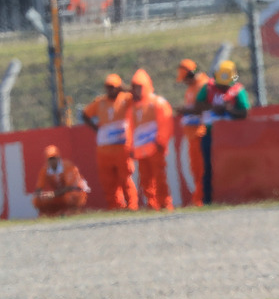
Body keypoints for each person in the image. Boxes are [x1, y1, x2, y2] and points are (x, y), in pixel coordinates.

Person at [192, 60, 250, 204]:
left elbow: (244, 113)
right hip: (210, 134)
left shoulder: (238, 90)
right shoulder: (208, 88)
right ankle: (208, 200)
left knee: (234, 167)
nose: (222, 87)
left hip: (232, 136)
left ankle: (236, 197)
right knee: (208, 167)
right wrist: (213, 107)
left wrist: (229, 109)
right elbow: (197, 106)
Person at [82, 73, 138, 211]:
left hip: (122, 147)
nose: (109, 90)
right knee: (108, 181)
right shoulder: (100, 102)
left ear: (118, 87)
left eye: (113, 87)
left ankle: (132, 205)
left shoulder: (126, 99)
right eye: (107, 87)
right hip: (104, 150)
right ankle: (116, 206)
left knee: (126, 178)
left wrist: (124, 88)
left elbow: (139, 95)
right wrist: (95, 128)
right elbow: (85, 114)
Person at [128, 68, 174, 211]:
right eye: (134, 87)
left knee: (160, 178)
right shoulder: (132, 108)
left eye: (139, 87)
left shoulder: (157, 103)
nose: (136, 90)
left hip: (155, 148)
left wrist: (161, 141)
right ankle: (151, 204)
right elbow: (129, 129)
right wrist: (129, 147)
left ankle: (165, 204)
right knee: (145, 181)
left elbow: (165, 123)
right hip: (141, 150)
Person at [175, 59, 210, 207]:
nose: (184, 82)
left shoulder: (204, 85)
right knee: (195, 170)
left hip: (201, 133)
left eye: (185, 79)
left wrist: (185, 110)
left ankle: (202, 199)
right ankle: (198, 199)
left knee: (202, 169)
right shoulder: (191, 88)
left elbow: (204, 107)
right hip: (192, 135)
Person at [32, 145, 90, 217]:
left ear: (58, 158)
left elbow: (69, 187)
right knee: (37, 200)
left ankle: (75, 213)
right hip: (60, 193)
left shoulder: (68, 167)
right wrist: (40, 195)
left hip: (77, 192)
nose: (52, 161)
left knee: (71, 196)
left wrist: (52, 194)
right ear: (47, 160)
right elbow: (39, 188)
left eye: (54, 158)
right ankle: (51, 216)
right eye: (50, 159)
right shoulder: (44, 170)